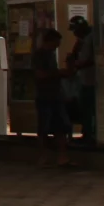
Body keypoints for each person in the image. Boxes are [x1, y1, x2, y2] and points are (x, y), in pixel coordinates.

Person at [31, 27, 70, 168]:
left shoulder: (51, 55)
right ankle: (44, 156)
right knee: (44, 127)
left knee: (60, 127)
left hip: (55, 95)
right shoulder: (40, 55)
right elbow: (40, 74)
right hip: (45, 96)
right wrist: (58, 74)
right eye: (56, 42)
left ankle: (62, 156)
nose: (57, 46)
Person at [63, 13, 96, 149]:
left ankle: (91, 135)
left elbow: (92, 59)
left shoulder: (92, 38)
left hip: (93, 80)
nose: (75, 34)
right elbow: (75, 55)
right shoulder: (82, 40)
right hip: (84, 80)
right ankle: (86, 134)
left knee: (90, 109)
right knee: (84, 109)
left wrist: (78, 65)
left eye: (76, 30)